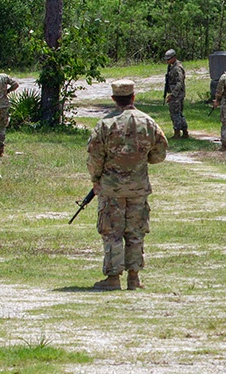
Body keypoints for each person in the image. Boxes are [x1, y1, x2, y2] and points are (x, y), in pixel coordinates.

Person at [86, 79, 168, 291]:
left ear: (114, 99)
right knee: (135, 231)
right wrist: (141, 159)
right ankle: (134, 277)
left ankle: (113, 278)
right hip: (138, 187)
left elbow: (94, 157)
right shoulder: (148, 123)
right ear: (133, 97)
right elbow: (160, 154)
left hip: (111, 189)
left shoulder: (105, 125)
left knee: (112, 231)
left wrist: (96, 180)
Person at [163, 49, 188, 139]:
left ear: (174, 58)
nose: (167, 61)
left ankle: (177, 133)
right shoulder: (172, 66)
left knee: (175, 113)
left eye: (169, 59)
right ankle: (185, 132)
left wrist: (173, 94)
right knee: (179, 113)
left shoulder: (177, 68)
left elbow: (179, 82)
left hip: (177, 94)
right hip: (176, 93)